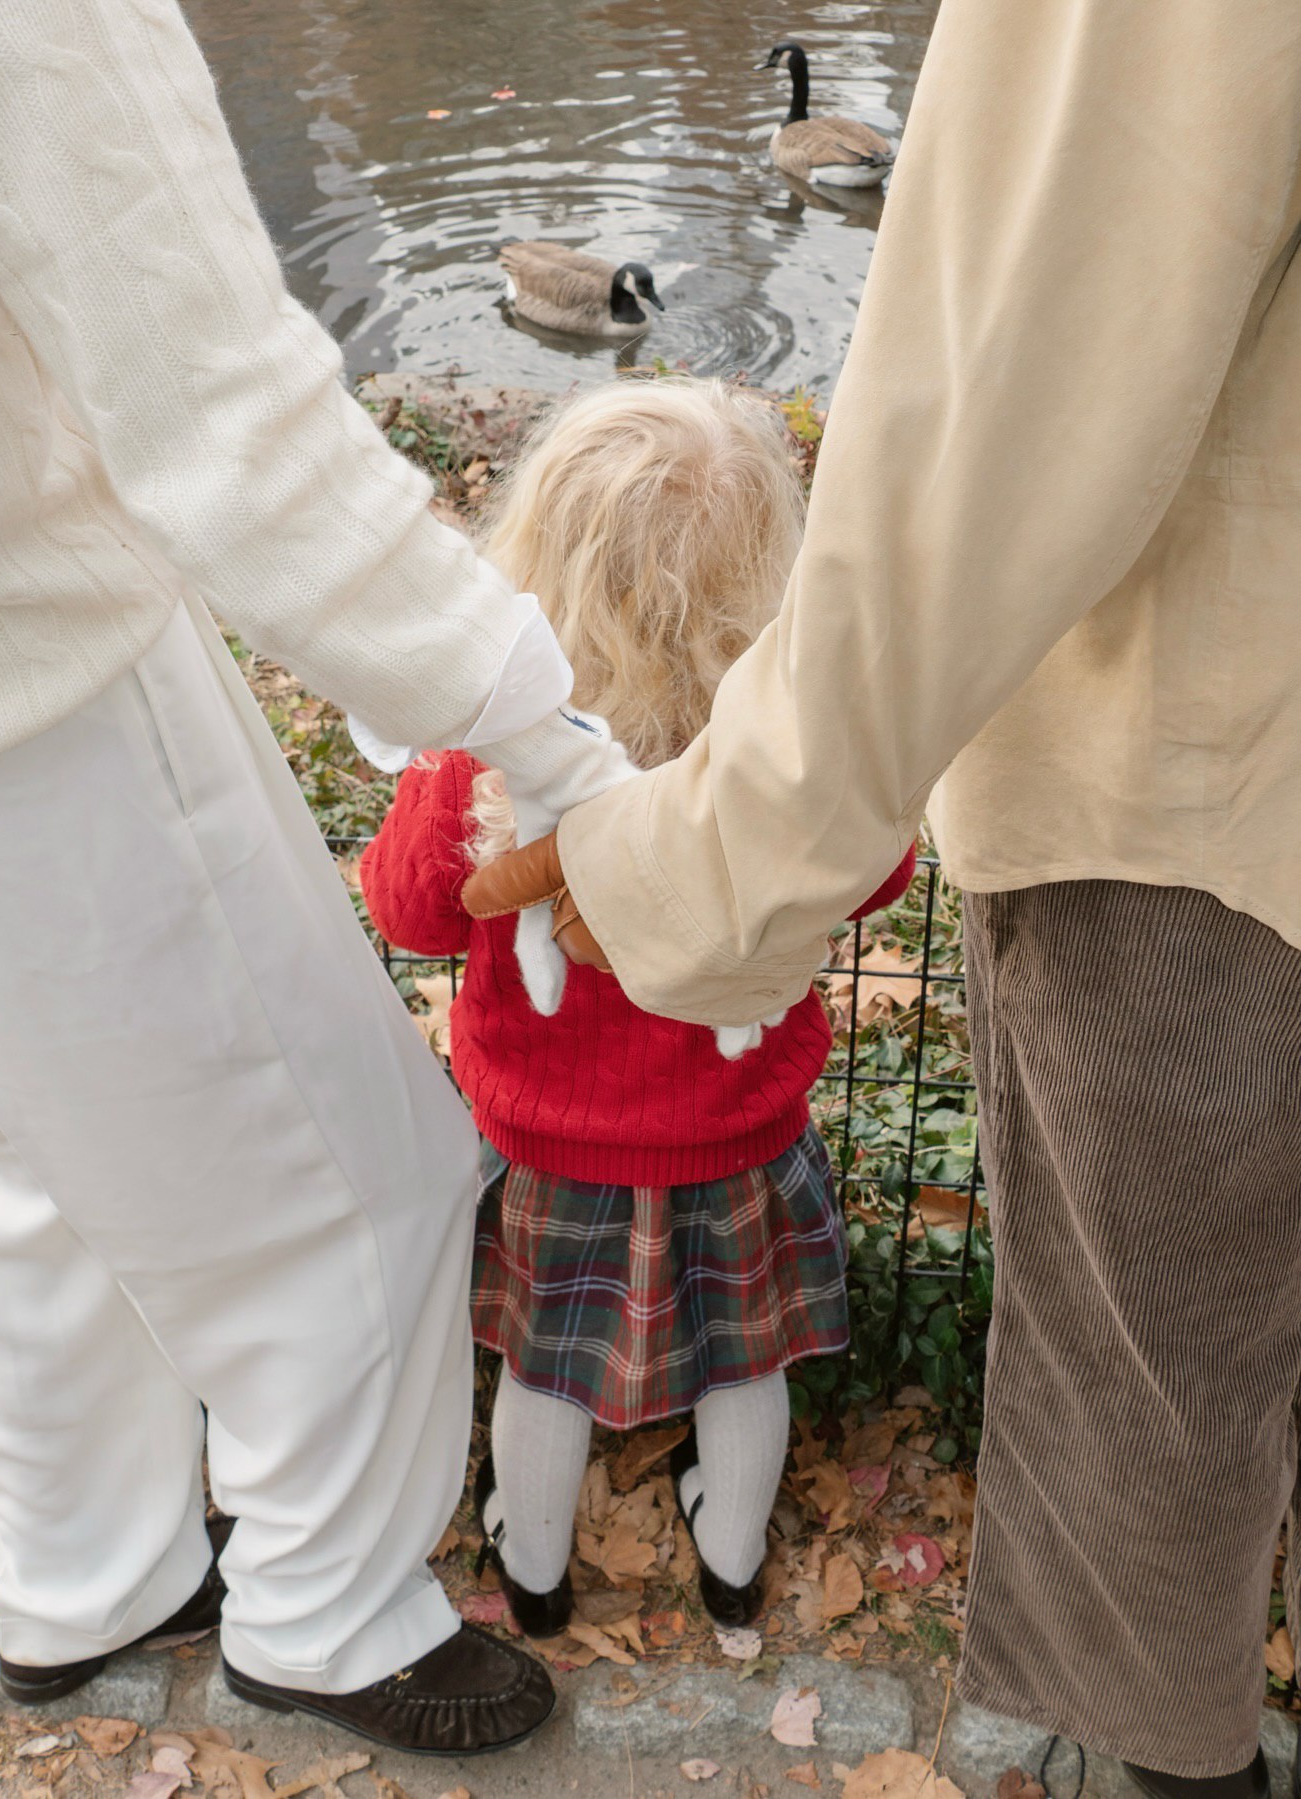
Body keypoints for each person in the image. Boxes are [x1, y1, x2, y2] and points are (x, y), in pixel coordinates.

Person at [458, 1, 1301, 1793]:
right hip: (748, 1173)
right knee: (750, 1384)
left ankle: (1169, 1753)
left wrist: (704, 848)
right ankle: (742, 1570)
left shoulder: (498, 782)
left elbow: (1021, 392)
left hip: (1207, 788)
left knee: (1162, 1376)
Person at [0, 0, 638, 1755]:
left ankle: (90, 1573)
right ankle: (330, 1608)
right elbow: (226, 412)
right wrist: (541, 731)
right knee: (354, 1183)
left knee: (16, 1157)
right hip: (18, 663)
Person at [359, 380, 915, 1638]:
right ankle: (729, 1551)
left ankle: (535, 1566)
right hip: (741, 1128)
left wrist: (433, 794)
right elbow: (876, 870)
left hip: (550, 1144)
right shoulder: (790, 745)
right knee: (744, 1359)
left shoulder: (489, 745)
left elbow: (408, 911)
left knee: (545, 1370)